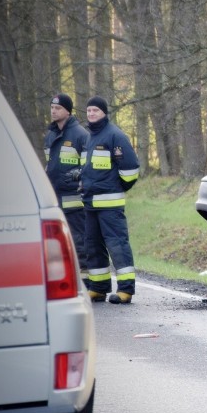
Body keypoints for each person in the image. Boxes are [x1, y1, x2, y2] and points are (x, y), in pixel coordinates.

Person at [80, 96, 140, 304]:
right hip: (90, 204)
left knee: (117, 245)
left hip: (110, 205)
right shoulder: (89, 138)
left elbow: (131, 170)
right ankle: (98, 288)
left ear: (104, 112)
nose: (91, 114)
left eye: (95, 110)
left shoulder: (115, 136)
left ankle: (125, 290)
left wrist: (116, 187)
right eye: (88, 111)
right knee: (92, 246)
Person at [43, 93, 89, 284]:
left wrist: (77, 176)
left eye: (58, 108)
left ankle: (86, 279)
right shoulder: (50, 135)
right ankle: (66, 279)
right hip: (55, 198)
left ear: (68, 111)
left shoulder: (80, 135)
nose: (54, 111)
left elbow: (88, 166)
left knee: (79, 240)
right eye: (52, 107)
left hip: (74, 199)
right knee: (57, 242)